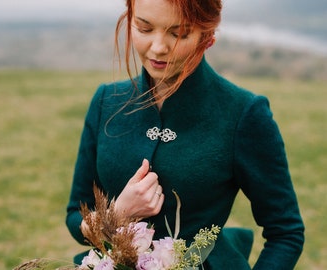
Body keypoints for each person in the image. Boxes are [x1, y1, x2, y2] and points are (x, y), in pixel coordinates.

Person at [66, 0, 305, 269]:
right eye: (144, 29)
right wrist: (117, 214)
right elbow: (75, 216)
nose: (158, 48)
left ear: (208, 36)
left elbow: (286, 233)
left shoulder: (244, 113)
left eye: (178, 34)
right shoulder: (105, 102)